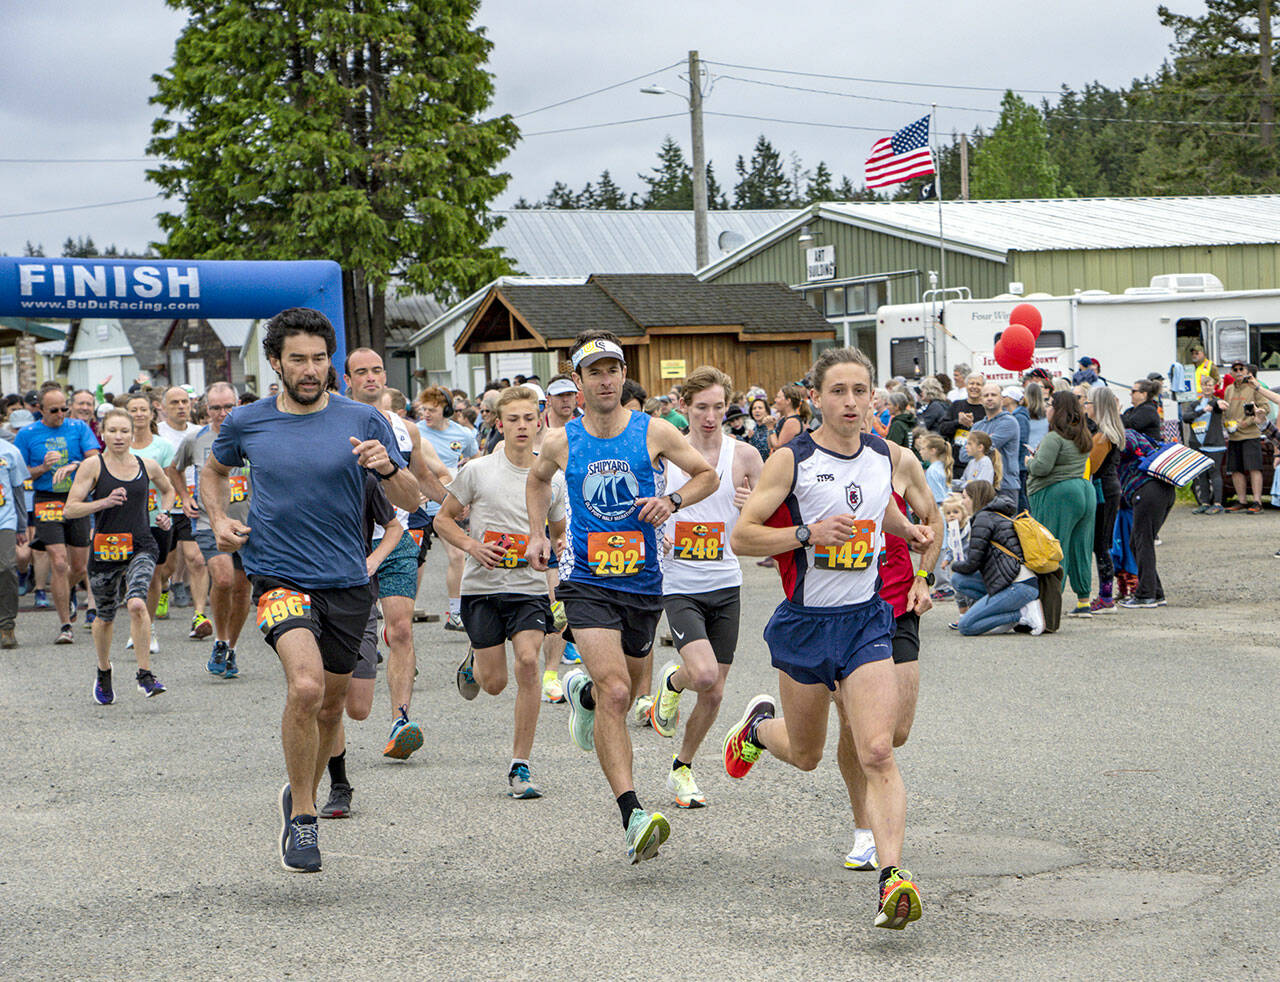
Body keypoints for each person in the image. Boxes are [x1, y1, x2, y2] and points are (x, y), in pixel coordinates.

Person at [202, 307, 418, 874]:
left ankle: (300, 790)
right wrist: (220, 520)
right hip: (279, 577)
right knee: (304, 686)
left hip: (348, 582)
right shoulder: (247, 421)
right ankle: (302, 815)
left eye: (319, 359)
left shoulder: (363, 419)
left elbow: (414, 500)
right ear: (275, 363)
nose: (309, 369)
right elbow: (212, 473)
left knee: (331, 707)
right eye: (297, 359)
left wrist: (389, 469)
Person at [724, 346, 932, 931]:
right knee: (811, 754)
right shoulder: (790, 460)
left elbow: (873, 511)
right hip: (806, 623)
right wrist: (806, 533)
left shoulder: (883, 455)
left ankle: (893, 877)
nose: (849, 402)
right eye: (837, 391)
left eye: (859, 390)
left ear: (873, 397)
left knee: (877, 749)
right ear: (816, 398)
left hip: (866, 621)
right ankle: (758, 731)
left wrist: (907, 529)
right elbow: (743, 537)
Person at [525, 330, 718, 865]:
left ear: (621, 375)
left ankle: (582, 694)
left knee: (630, 689)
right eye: (595, 372)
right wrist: (539, 533)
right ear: (579, 383)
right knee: (616, 691)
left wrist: (671, 500)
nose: (606, 380)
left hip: (642, 582)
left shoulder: (652, 430)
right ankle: (632, 813)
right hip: (586, 579)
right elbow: (538, 481)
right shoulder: (563, 439)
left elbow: (707, 474)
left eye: (613, 369)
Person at [436, 386, 566, 799]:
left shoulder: (551, 477)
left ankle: (520, 765)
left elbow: (560, 530)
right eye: (513, 419)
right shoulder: (478, 471)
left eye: (529, 418)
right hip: (482, 587)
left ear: (540, 421)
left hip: (527, 588)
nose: (522, 426)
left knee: (529, 663)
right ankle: (474, 660)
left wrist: (554, 545)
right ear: (499, 424)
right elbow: (443, 521)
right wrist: (472, 546)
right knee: (493, 683)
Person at [648, 367, 763, 808]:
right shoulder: (666, 456)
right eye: (701, 408)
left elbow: (776, 511)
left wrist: (752, 504)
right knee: (704, 674)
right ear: (684, 407)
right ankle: (676, 680)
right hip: (679, 582)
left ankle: (682, 768)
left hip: (726, 581)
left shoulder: (746, 456)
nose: (710, 416)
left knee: (714, 694)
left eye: (718, 407)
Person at [838, 437, 942, 871]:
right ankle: (865, 831)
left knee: (895, 732)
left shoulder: (900, 459)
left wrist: (924, 578)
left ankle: (758, 729)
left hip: (897, 605)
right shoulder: (808, 460)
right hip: (841, 609)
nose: (851, 406)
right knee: (861, 729)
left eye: (860, 396)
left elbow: (932, 519)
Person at [345, 349, 448, 759]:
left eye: (376, 371)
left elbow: (422, 476)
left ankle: (400, 720)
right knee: (351, 636)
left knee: (401, 629)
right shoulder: (334, 422)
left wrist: (458, 504)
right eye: (361, 372)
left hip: (398, 537)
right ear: (348, 379)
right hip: (349, 541)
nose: (371, 378)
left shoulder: (405, 429)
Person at [63, 409, 176, 704]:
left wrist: (163, 513)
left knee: (137, 603)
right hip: (104, 548)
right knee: (105, 616)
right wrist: (103, 502)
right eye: (112, 431)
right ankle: (103, 670)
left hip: (141, 543)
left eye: (124, 431)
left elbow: (169, 490)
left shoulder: (147, 464)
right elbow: (70, 508)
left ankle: (145, 675)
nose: (119, 436)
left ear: (132, 433)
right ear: (103, 433)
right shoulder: (93, 466)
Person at [318, 469, 402, 820]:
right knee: (327, 700)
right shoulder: (295, 476)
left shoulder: (363, 480)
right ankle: (339, 784)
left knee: (359, 708)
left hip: (357, 598)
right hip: (311, 597)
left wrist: (374, 560)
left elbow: (395, 527)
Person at [171, 382, 254, 678]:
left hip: (248, 522)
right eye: (216, 408)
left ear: (239, 405)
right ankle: (219, 638)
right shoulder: (196, 438)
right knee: (222, 579)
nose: (222, 413)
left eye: (228, 406)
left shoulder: (253, 437)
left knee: (243, 588)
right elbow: (174, 469)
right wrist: (184, 497)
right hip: (209, 521)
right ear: (206, 410)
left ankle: (230, 648)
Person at [14, 386, 101, 643]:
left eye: (65, 408)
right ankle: (65, 625)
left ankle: (68, 591)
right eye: (54, 410)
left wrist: (74, 464)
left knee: (78, 565)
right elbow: (21, 473)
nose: (61, 414)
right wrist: (43, 467)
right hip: (47, 499)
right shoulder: (28, 434)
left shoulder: (79, 428)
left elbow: (95, 459)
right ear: (39, 409)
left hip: (76, 497)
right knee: (59, 562)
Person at [1027, 390, 1095, 617]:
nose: (1047, 409)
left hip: (1059, 494)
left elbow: (1041, 468)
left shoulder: (1054, 438)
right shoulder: (1083, 435)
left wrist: (1030, 461)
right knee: (1081, 547)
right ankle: (1084, 600)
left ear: (1058, 411)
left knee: (1054, 547)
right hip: (1085, 490)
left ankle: (1050, 604)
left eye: (1049, 405)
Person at [416, 385, 479, 629]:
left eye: (432, 410)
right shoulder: (415, 432)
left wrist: (468, 489)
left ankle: (455, 613)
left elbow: (476, 459)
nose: (426, 415)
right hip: (419, 505)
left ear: (447, 409)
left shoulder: (462, 435)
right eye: (423, 410)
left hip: (448, 505)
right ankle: (403, 609)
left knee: (457, 555)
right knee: (415, 561)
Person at [949, 479, 1043, 636]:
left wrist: (954, 564)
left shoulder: (983, 519)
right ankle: (1003, 612)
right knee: (958, 579)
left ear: (975, 498)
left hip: (1018, 586)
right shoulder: (995, 514)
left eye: (965, 497)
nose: (962, 502)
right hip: (1017, 582)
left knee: (966, 626)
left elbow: (972, 563)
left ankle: (1021, 614)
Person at [157, 386, 211, 639]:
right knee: (166, 566)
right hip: (165, 506)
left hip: (193, 506)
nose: (181, 406)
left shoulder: (199, 432)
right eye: (175, 402)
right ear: (164, 407)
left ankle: (199, 614)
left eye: (185, 402)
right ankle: (165, 589)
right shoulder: (158, 433)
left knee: (197, 559)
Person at [125, 394, 176, 655]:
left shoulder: (163, 447)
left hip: (155, 518)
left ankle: (149, 626)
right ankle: (136, 623)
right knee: (130, 573)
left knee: (155, 573)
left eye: (143, 409)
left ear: (151, 413)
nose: (139, 414)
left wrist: (165, 511)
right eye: (133, 410)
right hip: (126, 520)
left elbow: (169, 486)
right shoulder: (119, 445)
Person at [1114, 428, 1173, 609]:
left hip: (1147, 491)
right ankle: (1155, 592)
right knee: (1138, 542)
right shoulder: (1134, 434)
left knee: (1141, 541)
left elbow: (1125, 447)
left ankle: (1146, 594)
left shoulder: (1122, 436)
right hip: (1163, 489)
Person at [1084, 387, 1125, 613]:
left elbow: (1090, 464)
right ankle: (1105, 594)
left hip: (1104, 490)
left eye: (1088, 403)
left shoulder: (1104, 436)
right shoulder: (1104, 432)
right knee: (1100, 544)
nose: (1085, 408)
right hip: (1106, 487)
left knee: (1101, 544)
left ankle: (1106, 596)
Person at [961, 382, 1020, 498]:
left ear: (1002, 399)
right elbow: (963, 455)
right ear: (981, 400)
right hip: (979, 488)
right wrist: (984, 444)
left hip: (1004, 487)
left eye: (993, 395)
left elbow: (987, 448)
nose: (989, 398)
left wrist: (979, 446)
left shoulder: (1009, 422)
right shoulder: (977, 426)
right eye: (986, 395)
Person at [0, 431, 30, 648]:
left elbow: (18, 490)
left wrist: (21, 525)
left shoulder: (9, 451)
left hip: (5, 520)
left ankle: (6, 624)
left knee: (7, 567)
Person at [1223, 363, 1266, 512]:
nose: (1238, 372)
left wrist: (1246, 423)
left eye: (1241, 369)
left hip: (1251, 434)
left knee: (1254, 468)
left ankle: (1257, 501)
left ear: (1247, 371)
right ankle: (1241, 500)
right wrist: (1226, 423)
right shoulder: (1229, 389)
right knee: (1235, 469)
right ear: (1231, 372)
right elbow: (1225, 410)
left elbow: (1264, 408)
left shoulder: (1254, 387)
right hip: (1233, 436)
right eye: (1235, 369)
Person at [1182, 376, 1227, 514]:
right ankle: (1205, 502)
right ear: (1201, 386)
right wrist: (1203, 410)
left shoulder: (1217, 402)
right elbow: (1186, 417)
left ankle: (1218, 503)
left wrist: (1214, 406)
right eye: (1205, 385)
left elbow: (1220, 406)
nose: (1207, 387)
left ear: (1214, 387)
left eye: (1210, 385)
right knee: (1201, 474)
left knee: (1215, 473)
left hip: (1214, 444)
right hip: (1197, 445)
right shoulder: (1195, 404)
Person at [938, 372, 985, 470]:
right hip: (955, 463)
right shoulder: (956, 405)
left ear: (983, 387)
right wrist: (958, 422)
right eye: (971, 383)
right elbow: (942, 428)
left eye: (978, 384)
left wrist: (972, 426)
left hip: (978, 462)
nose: (974, 387)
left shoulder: (986, 409)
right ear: (966, 386)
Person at [1122, 379, 1163, 445]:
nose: (1130, 394)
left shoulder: (1148, 410)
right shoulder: (1130, 410)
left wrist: (1116, 414)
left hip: (1148, 452)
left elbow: (1132, 426)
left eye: (1133, 391)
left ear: (1144, 394)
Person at [770, 385, 808, 451]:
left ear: (788, 401)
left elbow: (779, 447)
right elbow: (771, 444)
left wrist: (770, 427)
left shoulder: (792, 422)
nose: (775, 400)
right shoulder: (783, 419)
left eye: (778, 397)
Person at [918, 433, 952, 504]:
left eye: (923, 449)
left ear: (933, 451)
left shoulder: (932, 471)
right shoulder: (942, 466)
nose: (920, 452)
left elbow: (937, 499)